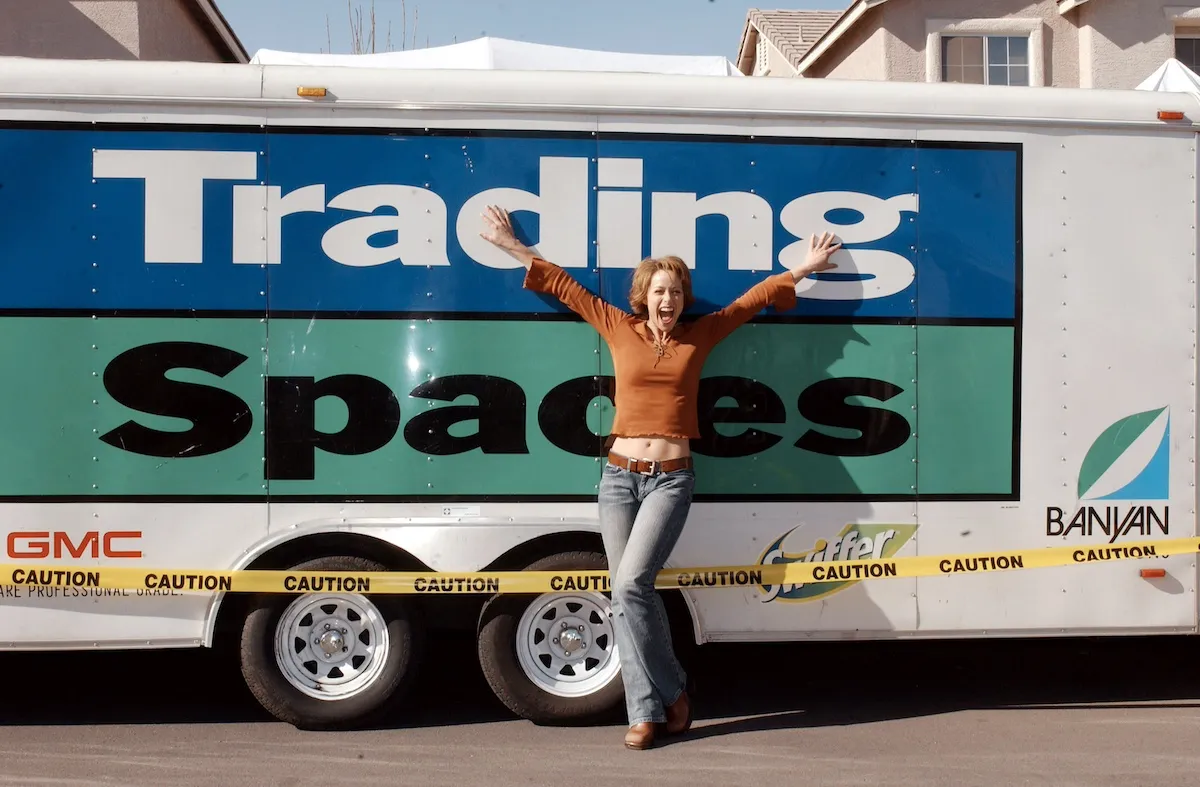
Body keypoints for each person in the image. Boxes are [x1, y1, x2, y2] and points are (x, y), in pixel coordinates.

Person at [480, 205, 841, 750]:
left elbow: (754, 300)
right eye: (658, 291)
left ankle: (669, 694)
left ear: (683, 298)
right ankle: (650, 709)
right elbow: (561, 284)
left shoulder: (701, 335)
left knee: (629, 585)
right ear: (642, 297)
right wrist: (510, 245)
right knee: (626, 595)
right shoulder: (616, 327)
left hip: (670, 479)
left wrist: (805, 268)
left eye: (675, 291)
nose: (667, 300)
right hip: (618, 478)